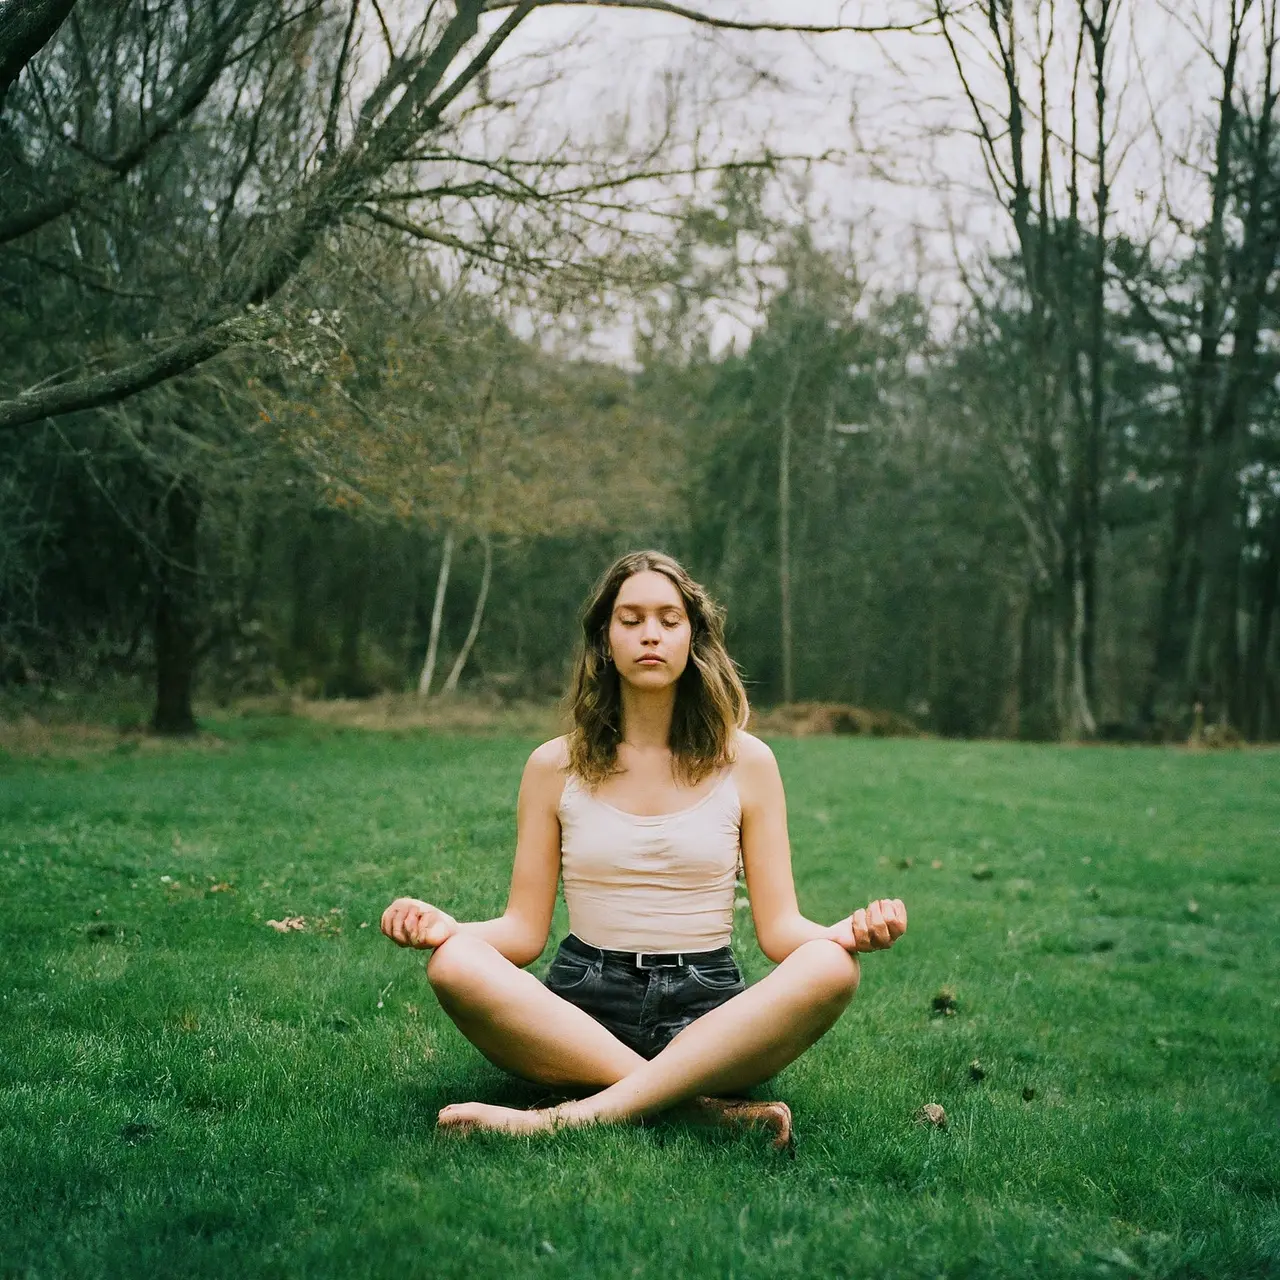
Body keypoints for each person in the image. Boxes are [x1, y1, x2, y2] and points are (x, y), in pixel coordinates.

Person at [380, 550, 907, 1145]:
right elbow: (524, 933)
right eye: (630, 619)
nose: (649, 634)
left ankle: (561, 1119)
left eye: (668, 619)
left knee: (832, 967)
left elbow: (781, 930)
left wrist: (850, 932)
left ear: (693, 636)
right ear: (605, 639)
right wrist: (449, 928)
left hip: (706, 1008)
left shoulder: (750, 763)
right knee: (452, 962)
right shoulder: (553, 765)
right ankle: (695, 1104)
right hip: (581, 1006)